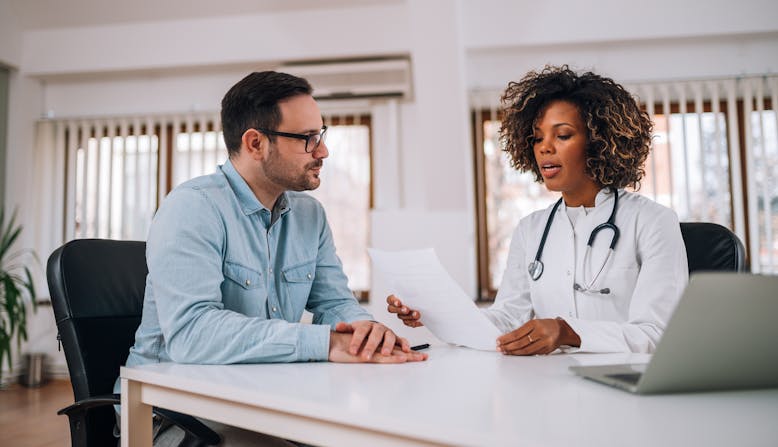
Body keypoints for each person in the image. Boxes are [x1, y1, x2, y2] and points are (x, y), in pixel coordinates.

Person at [116, 71, 426, 446]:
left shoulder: (309, 216)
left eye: (321, 135)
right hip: (171, 415)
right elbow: (191, 335)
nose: (323, 151)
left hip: (258, 396)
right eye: (308, 139)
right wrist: (325, 343)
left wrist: (365, 332)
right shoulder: (192, 209)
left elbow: (335, 303)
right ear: (255, 143)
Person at [388, 65, 688, 355]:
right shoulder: (531, 230)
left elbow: (656, 333)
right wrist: (436, 315)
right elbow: (506, 319)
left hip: (625, 390)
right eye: (537, 138)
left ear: (599, 142)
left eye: (563, 135)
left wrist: (567, 332)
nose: (544, 148)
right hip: (549, 387)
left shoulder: (652, 222)